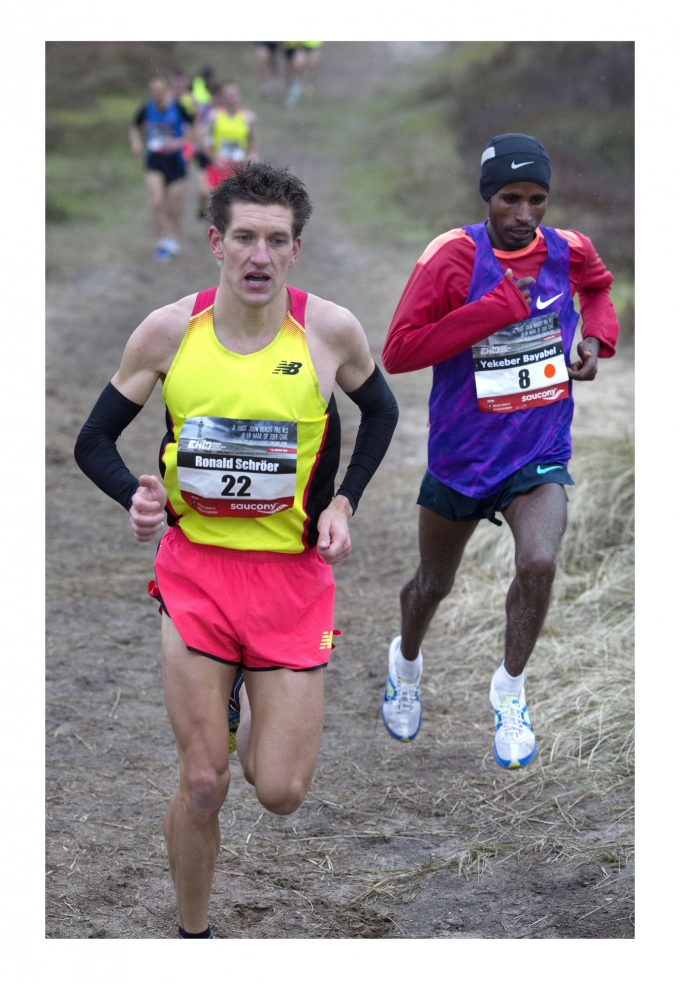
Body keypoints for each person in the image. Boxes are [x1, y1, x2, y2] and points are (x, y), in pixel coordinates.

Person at [74, 162, 399, 938]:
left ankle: (245, 695)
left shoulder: (330, 332)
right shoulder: (166, 332)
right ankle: (195, 937)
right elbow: (93, 442)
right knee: (204, 780)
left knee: (280, 790)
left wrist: (345, 501)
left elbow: (381, 413)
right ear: (216, 242)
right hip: (197, 575)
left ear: (295, 251)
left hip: (291, 580)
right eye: (245, 238)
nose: (259, 256)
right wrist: (139, 495)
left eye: (276, 241)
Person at [380, 133, 619, 768]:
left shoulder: (570, 249)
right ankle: (405, 664)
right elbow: (399, 352)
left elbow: (597, 288)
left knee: (538, 563)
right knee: (434, 583)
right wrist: (489, 312)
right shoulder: (451, 257)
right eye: (510, 198)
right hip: (462, 454)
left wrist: (595, 339)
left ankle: (509, 690)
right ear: (488, 196)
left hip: (538, 445)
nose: (524, 214)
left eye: (536, 199)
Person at [130, 77, 195, 262]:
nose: (157, 93)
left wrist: (180, 142)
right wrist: (135, 142)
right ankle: (161, 241)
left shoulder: (178, 107)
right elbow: (134, 127)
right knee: (157, 202)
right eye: (154, 90)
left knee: (172, 207)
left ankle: (173, 236)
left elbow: (192, 126)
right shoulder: (146, 108)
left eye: (160, 89)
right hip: (155, 161)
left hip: (175, 161)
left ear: (167, 90)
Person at [202, 81, 257, 192]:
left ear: (239, 96)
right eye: (228, 94)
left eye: (234, 94)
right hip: (219, 165)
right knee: (207, 196)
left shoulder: (248, 117)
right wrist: (213, 157)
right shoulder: (214, 115)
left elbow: (253, 138)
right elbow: (203, 138)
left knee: (234, 201)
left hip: (238, 166)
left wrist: (252, 153)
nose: (231, 97)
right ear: (223, 97)